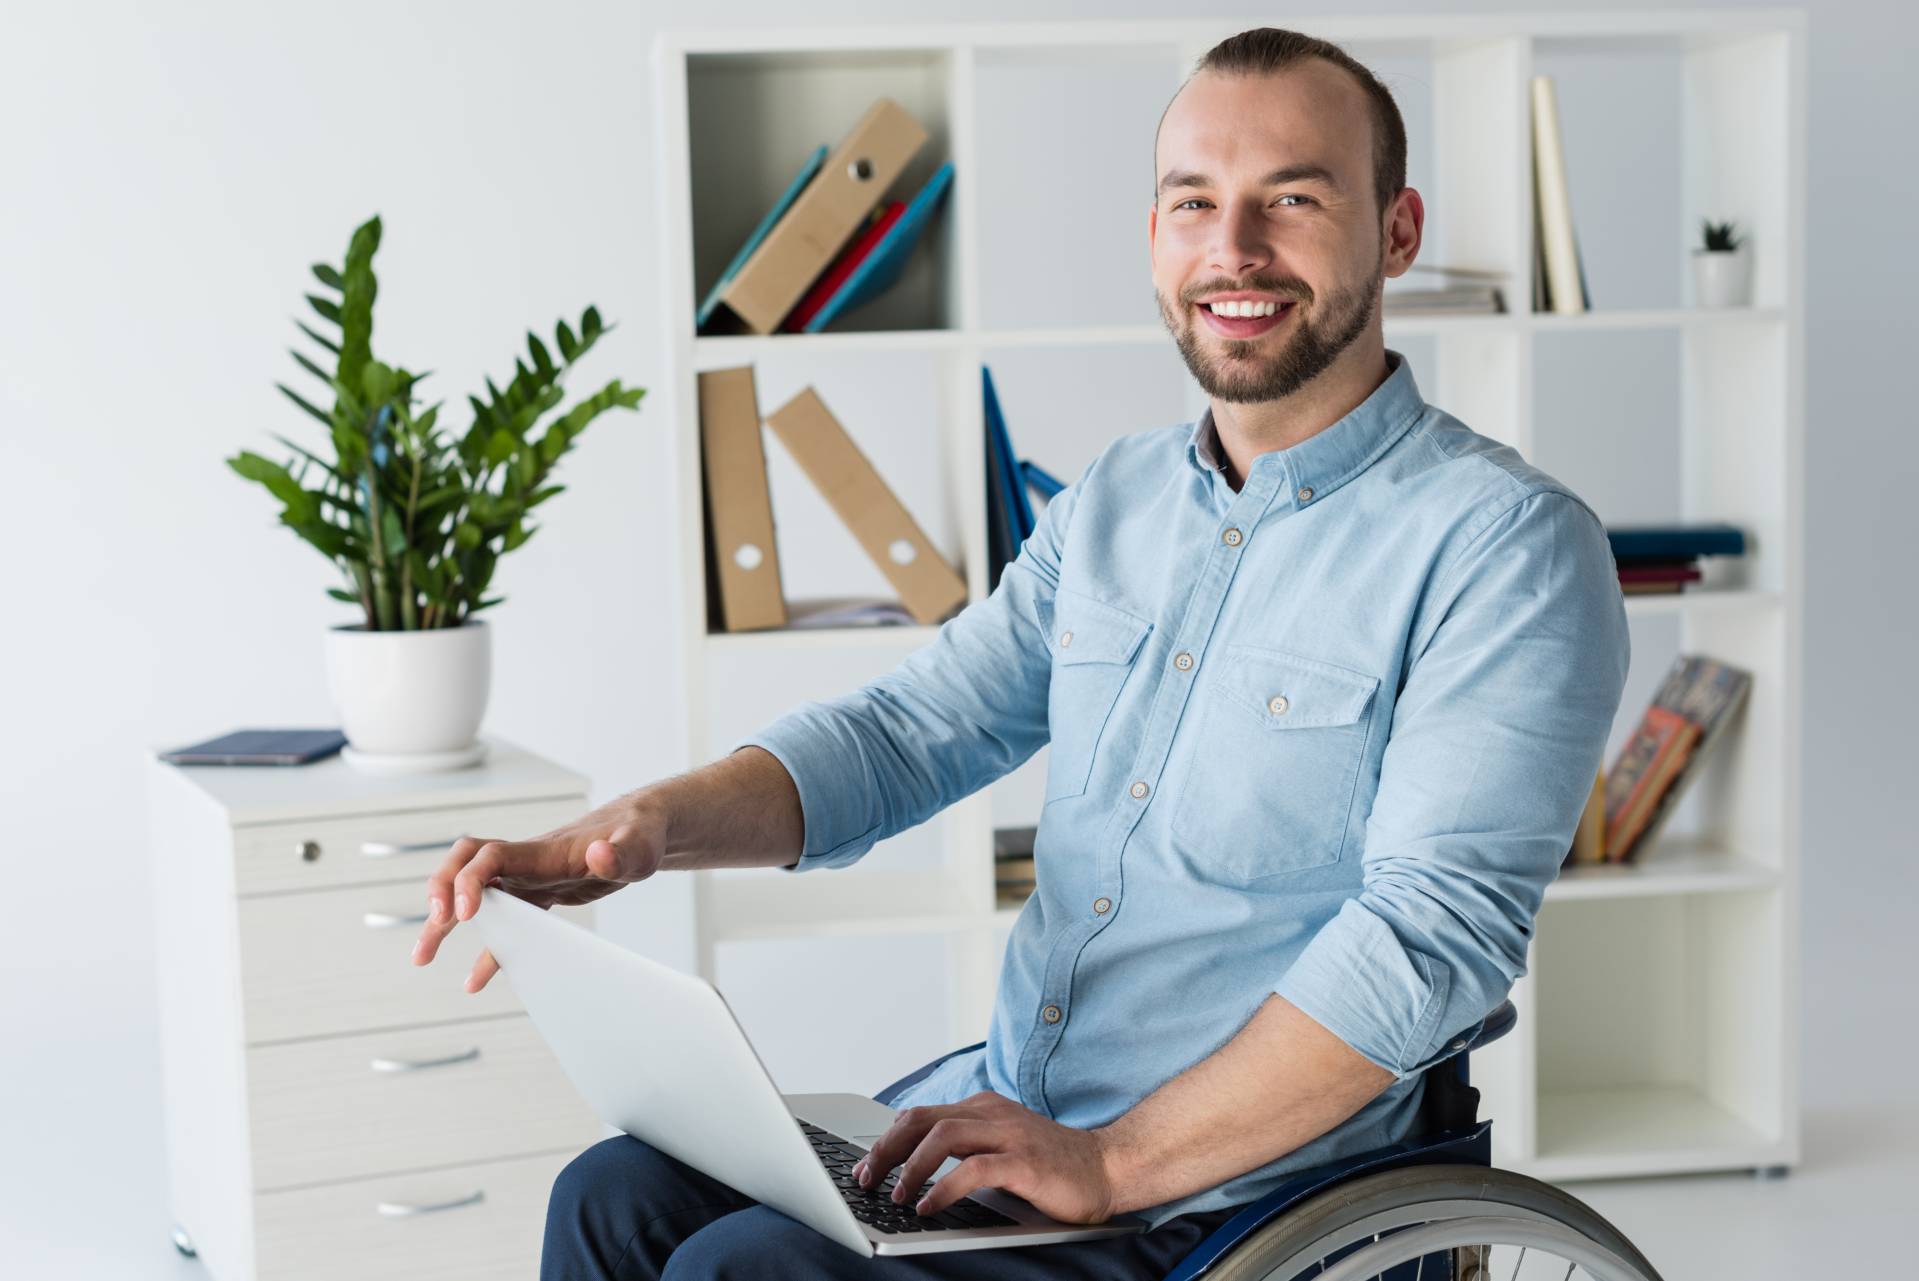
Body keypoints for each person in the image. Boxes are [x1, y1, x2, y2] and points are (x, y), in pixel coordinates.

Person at [413, 25, 1630, 1281]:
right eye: (1192, 203)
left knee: (744, 1273)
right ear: (1153, 235)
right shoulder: (1117, 498)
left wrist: (1111, 1163)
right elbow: (908, 732)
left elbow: (1427, 944)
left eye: (1292, 199)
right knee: (615, 1196)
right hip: (1016, 1122)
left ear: (1395, 230)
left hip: (1233, 1200)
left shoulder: (1506, 549)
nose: (1234, 249)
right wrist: (642, 832)